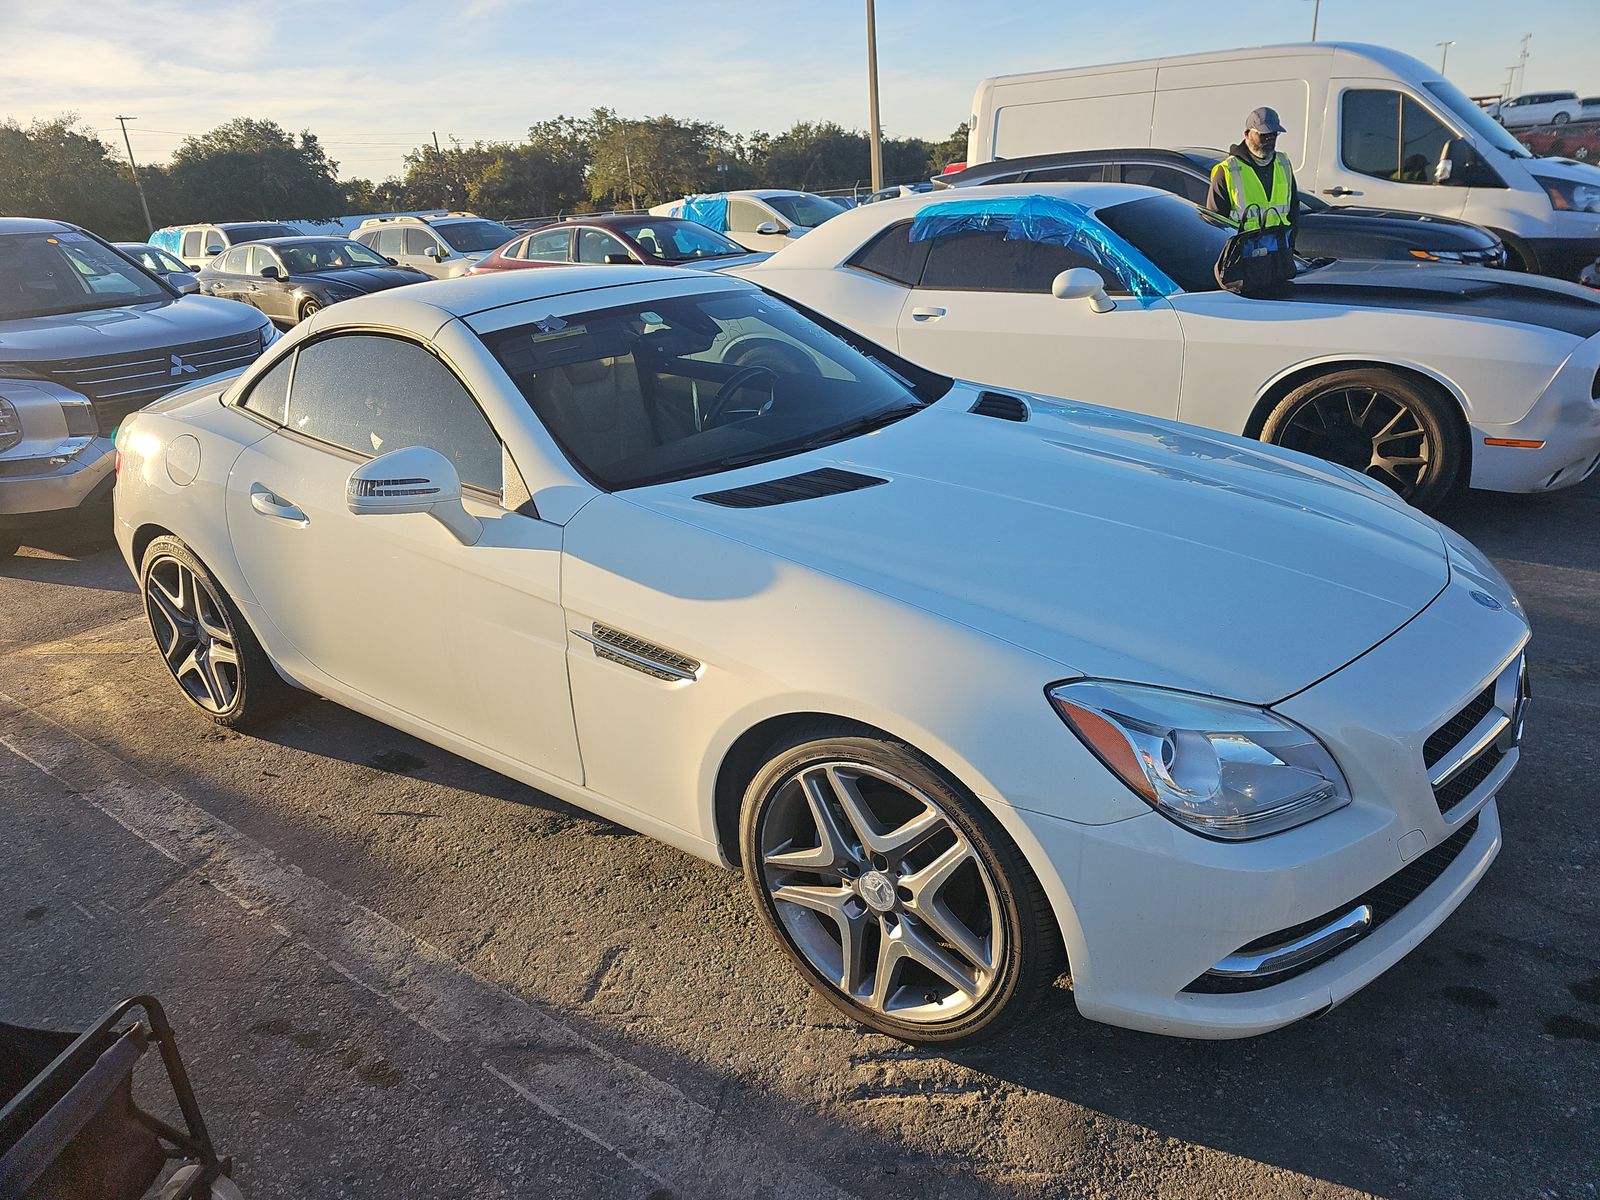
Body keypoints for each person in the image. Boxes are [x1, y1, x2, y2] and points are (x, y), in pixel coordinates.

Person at [1206, 108, 1299, 236]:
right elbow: (1216, 223)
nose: (1269, 139)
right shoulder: (1227, 170)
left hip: (1279, 249)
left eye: (1274, 134)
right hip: (1244, 250)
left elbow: (1294, 209)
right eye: (1263, 134)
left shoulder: (1283, 163)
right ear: (1247, 134)